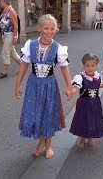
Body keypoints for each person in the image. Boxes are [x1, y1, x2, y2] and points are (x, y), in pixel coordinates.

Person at [14, 14, 72, 159]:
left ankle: (48, 145)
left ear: (56, 30)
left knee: (49, 114)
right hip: (33, 85)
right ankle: (41, 142)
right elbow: (24, 66)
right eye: (46, 28)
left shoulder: (58, 48)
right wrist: (18, 85)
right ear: (39, 28)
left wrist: (69, 87)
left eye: (52, 28)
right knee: (36, 114)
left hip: (49, 85)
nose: (49, 31)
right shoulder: (30, 45)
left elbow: (64, 68)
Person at [69, 53, 103, 149]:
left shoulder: (97, 76)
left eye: (92, 66)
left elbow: (99, 85)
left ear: (97, 65)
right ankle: (82, 139)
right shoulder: (80, 77)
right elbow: (76, 87)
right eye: (87, 66)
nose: (90, 68)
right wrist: (71, 92)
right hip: (84, 104)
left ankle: (90, 137)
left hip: (95, 104)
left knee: (93, 121)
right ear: (83, 65)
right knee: (84, 121)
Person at [0, 0, 21, 79]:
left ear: (5, 2)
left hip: (10, 35)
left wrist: (15, 37)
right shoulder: (3, 11)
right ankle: (23, 65)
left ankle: (5, 72)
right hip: (4, 35)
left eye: (1, 1)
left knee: (5, 52)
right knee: (12, 52)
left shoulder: (11, 11)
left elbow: (15, 25)